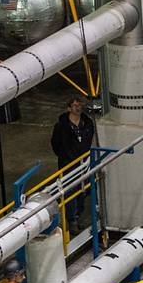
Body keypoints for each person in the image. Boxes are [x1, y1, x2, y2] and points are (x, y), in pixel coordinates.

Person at [50, 96, 94, 233]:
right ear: (69, 108)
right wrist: (66, 156)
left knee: (83, 190)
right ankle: (72, 220)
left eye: (79, 105)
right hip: (68, 164)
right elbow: (55, 144)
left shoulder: (87, 124)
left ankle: (78, 215)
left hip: (83, 163)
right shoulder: (62, 126)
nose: (78, 107)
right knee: (70, 192)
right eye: (75, 105)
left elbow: (89, 139)